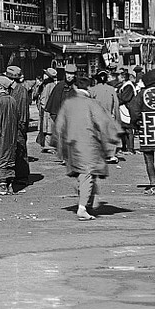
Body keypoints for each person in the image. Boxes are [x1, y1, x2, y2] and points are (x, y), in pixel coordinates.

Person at [55, 83, 115, 221]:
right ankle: (82, 207)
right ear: (88, 89)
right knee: (87, 173)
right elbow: (103, 124)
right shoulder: (92, 104)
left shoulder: (68, 104)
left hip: (71, 145)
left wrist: (59, 146)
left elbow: (59, 126)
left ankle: (88, 200)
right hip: (87, 145)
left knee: (83, 174)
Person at [88, 72, 122, 163]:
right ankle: (110, 155)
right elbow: (116, 104)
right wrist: (117, 118)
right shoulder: (111, 89)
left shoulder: (92, 89)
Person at [36, 68, 59, 151]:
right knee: (46, 127)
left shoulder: (50, 85)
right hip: (45, 109)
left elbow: (45, 99)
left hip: (47, 109)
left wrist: (42, 106)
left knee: (48, 128)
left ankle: (48, 145)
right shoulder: (45, 85)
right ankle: (46, 145)